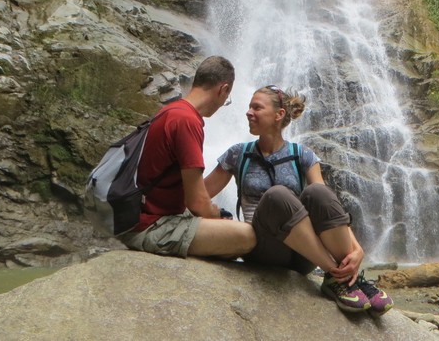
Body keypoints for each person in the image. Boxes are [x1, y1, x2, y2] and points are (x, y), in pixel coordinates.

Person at [204, 85, 393, 316]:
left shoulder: (303, 155)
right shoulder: (238, 154)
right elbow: (200, 196)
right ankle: (336, 275)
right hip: (264, 249)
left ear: (279, 114)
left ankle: (349, 276)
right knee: (278, 194)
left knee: (319, 193)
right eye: (249, 107)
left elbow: (329, 207)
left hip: (304, 254)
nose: (248, 112)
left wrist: (357, 249)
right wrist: (215, 216)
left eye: (257, 107)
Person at [117, 56, 256, 260]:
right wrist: (218, 216)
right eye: (227, 99)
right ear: (223, 89)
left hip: (144, 219)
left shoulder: (172, 111)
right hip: (152, 226)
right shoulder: (187, 121)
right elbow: (198, 203)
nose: (222, 104)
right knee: (247, 236)